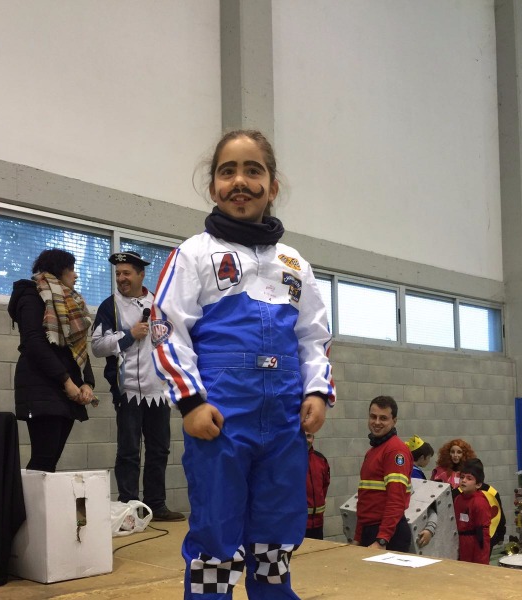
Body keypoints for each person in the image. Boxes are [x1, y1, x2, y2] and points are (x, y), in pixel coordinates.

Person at [150, 129, 335, 600]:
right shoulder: (193, 254)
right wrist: (190, 402)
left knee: (277, 530)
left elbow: (314, 335)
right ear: (213, 186)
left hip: (285, 423)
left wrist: (317, 391)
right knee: (217, 529)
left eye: (254, 170)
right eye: (227, 171)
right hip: (221, 420)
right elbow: (166, 329)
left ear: (272, 186)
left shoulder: (295, 263)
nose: (240, 181)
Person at [91, 251, 185, 522]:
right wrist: (128, 335)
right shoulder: (110, 306)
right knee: (129, 451)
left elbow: (173, 341)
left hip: (158, 391)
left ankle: (156, 505)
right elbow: (97, 347)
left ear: (141, 275)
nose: (121, 278)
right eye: (118, 274)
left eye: (126, 273)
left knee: (159, 450)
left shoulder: (159, 304)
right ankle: (129, 507)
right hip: (128, 389)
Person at [8, 248, 97, 472]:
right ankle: (26, 498)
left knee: (50, 460)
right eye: (71, 269)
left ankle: (37, 498)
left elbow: (78, 346)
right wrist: (66, 381)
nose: (75, 275)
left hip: (64, 385)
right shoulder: (31, 296)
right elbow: (34, 343)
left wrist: (87, 382)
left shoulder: (69, 301)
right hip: (41, 385)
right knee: (43, 459)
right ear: (58, 271)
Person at [353, 396, 413, 552]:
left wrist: (382, 539)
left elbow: (396, 500)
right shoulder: (373, 451)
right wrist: (358, 537)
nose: (377, 422)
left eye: (383, 418)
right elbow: (365, 498)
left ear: (394, 421)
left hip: (388, 535)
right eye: (373, 417)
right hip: (371, 531)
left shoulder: (395, 451)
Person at [453, 458, 493, 564]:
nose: (464, 480)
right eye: (462, 477)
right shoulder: (458, 499)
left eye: (469, 478)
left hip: (474, 546)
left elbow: (483, 536)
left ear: (478, 484)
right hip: (460, 545)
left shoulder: (480, 503)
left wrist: (481, 562)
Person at [405, 435, 437, 549]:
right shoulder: (416, 474)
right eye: (428, 458)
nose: (429, 461)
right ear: (422, 457)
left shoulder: (407, 468)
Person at [305, 431, 331, 540]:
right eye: (302, 436)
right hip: (297, 524)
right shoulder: (288, 460)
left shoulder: (321, 459)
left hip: (318, 524)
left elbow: (325, 486)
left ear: (313, 438)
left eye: (308, 436)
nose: (305, 440)